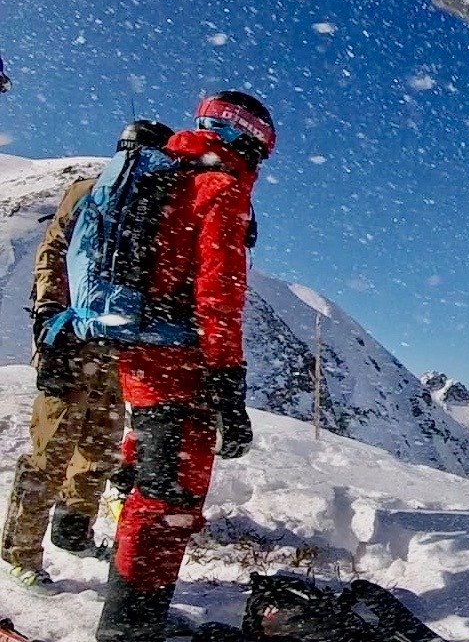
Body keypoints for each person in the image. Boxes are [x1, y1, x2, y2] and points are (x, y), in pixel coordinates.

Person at [95, 91, 273, 642]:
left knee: (152, 482)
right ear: (247, 138)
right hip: (180, 362)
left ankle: (134, 615)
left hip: (143, 352)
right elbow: (219, 297)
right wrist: (228, 382)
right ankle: (130, 628)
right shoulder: (219, 189)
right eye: (263, 150)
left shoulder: (170, 175)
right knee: (169, 497)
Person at [0, 120, 175, 593]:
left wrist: (49, 318)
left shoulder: (110, 196)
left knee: (90, 446)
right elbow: (54, 254)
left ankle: (71, 531)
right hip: (87, 339)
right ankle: (19, 551)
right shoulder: (100, 195)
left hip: (87, 339)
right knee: (64, 447)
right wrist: (49, 320)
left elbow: (51, 254)